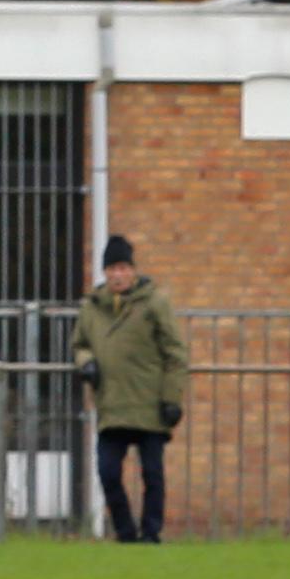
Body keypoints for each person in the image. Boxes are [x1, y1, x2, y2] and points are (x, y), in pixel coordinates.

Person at [80, 233, 188, 544]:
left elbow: (175, 352)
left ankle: (151, 533)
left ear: (133, 270)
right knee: (108, 472)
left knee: (152, 474)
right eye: (111, 268)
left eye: (123, 268)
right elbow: (80, 344)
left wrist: (171, 398)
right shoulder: (91, 308)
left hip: (149, 403)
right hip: (112, 403)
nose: (117, 275)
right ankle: (125, 533)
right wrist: (86, 361)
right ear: (104, 272)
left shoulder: (155, 303)